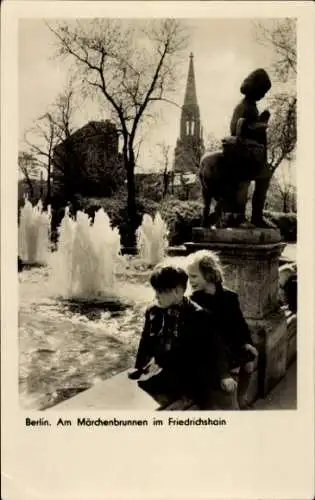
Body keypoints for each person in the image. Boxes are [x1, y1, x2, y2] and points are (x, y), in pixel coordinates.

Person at [128, 264, 237, 409]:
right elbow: (146, 341)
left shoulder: (198, 315)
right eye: (155, 291)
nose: (156, 296)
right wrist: (139, 366)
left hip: (189, 370)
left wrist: (224, 375)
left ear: (178, 291)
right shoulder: (153, 311)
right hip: (165, 367)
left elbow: (215, 347)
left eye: (160, 291)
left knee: (206, 398)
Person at [186, 250, 259, 409]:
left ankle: (241, 398)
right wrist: (223, 373)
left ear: (209, 274)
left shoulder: (229, 297)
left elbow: (240, 325)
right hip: (211, 353)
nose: (190, 281)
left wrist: (247, 343)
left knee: (250, 359)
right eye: (188, 276)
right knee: (231, 374)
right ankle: (235, 404)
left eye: (194, 276)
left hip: (228, 346)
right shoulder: (194, 302)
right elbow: (207, 341)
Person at [228, 68, 274, 227]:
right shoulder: (242, 106)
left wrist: (262, 120)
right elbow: (235, 129)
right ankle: (238, 217)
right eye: (262, 91)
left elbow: (253, 127)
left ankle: (257, 216)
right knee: (243, 181)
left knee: (264, 178)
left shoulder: (253, 107)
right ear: (255, 88)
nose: (263, 95)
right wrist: (255, 126)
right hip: (242, 154)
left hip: (254, 155)